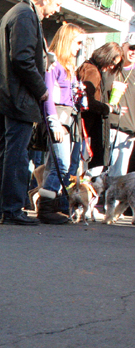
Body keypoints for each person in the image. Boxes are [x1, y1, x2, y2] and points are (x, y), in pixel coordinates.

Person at [0, 0, 67, 225]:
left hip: (5, 95)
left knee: (7, 152)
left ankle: (1, 208)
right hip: (16, 97)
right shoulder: (26, 16)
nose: (57, 10)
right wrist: (41, 89)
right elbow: (22, 59)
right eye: (57, 4)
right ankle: (12, 209)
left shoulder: (17, 12)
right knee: (16, 154)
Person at [37, 23, 85, 224]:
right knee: (61, 164)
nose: (79, 47)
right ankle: (46, 209)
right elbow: (47, 95)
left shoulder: (69, 67)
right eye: (77, 42)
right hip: (58, 119)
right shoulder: (54, 64)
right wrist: (53, 122)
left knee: (55, 165)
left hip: (69, 119)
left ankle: (52, 207)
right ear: (67, 41)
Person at [77, 42, 123, 172]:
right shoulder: (92, 71)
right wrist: (108, 108)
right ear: (106, 57)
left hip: (84, 128)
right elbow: (88, 101)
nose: (111, 67)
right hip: (85, 129)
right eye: (112, 63)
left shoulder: (90, 68)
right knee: (82, 169)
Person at [104, 33, 135, 177]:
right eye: (132, 47)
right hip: (107, 125)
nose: (134, 52)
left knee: (118, 178)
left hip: (127, 132)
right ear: (124, 46)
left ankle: (110, 201)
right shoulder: (111, 67)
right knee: (96, 171)